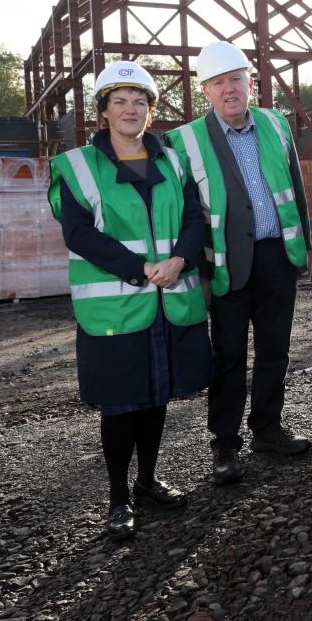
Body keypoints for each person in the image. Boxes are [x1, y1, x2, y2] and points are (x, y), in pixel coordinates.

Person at [49, 62, 211, 540]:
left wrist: (181, 259)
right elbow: (79, 234)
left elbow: (194, 219)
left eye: (140, 101)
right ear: (103, 111)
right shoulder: (78, 166)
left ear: (150, 110)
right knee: (121, 405)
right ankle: (118, 498)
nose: (130, 109)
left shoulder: (172, 161)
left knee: (155, 397)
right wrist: (139, 267)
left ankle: (147, 482)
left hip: (167, 300)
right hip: (116, 308)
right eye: (119, 101)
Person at [166, 40, 312, 486]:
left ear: (251, 82)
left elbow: (294, 187)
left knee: (275, 349)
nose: (228, 89)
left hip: (276, 256)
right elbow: (186, 214)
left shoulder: (274, 123)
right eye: (217, 83)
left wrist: (303, 245)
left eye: (235, 79)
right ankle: (225, 443)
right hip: (225, 264)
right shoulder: (184, 140)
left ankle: (267, 428)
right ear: (205, 92)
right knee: (228, 356)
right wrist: (199, 272)